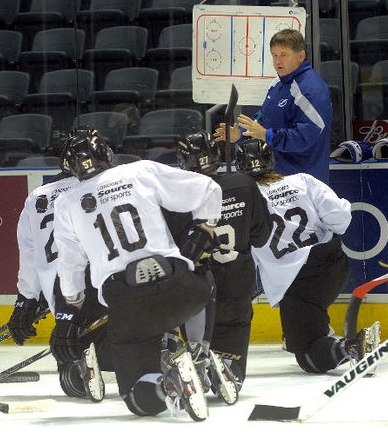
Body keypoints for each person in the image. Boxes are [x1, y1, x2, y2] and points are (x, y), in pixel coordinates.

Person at [50, 128, 224, 421]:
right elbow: (209, 189)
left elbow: (70, 265)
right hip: (180, 289)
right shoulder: (141, 170)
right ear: (107, 154)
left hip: (129, 306)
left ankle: (165, 384)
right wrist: (205, 228)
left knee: (136, 399)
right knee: (203, 279)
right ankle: (197, 350)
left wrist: (74, 299)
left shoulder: (66, 203)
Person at [235, 138, 381, 373]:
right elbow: (341, 219)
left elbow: (242, 248)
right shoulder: (302, 181)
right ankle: (320, 333)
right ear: (270, 161)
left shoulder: (245, 202)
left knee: (308, 358)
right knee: (303, 327)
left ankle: (354, 346)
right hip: (333, 261)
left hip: (299, 282)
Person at [7, 129, 113, 402]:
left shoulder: (37, 198)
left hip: (59, 292)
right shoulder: (106, 185)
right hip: (101, 280)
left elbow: (29, 253)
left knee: (73, 382)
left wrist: (26, 299)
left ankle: (75, 364)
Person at [174, 129, 272, 390]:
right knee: (232, 363)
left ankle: (201, 376)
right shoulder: (244, 183)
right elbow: (261, 236)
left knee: (197, 342)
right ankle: (229, 374)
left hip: (199, 285)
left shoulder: (178, 196)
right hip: (238, 280)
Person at [214, 28, 332, 184]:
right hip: (277, 181)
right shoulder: (278, 83)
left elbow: (306, 137)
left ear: (301, 56)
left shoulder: (310, 90)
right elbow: (262, 118)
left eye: (284, 55)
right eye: (274, 55)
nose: (278, 61)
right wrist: (240, 135)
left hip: (305, 184)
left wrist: (266, 135)